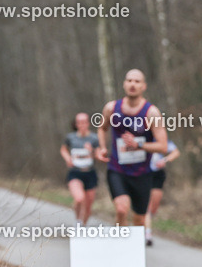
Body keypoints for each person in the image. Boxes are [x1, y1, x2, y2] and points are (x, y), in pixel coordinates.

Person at [94, 69, 169, 229]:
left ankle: (134, 249)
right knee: (122, 208)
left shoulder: (151, 112)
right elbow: (102, 128)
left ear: (144, 86)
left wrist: (138, 145)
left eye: (137, 81)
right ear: (124, 84)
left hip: (142, 173)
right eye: (129, 81)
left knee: (139, 220)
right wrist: (102, 148)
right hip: (117, 169)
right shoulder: (112, 108)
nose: (132, 84)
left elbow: (163, 146)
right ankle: (121, 247)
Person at [61, 112, 100, 226]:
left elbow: (98, 155)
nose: (82, 125)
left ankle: (83, 226)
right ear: (76, 124)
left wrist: (91, 151)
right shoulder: (70, 137)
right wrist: (68, 158)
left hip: (90, 173)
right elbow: (63, 150)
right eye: (79, 122)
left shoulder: (94, 138)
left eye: (84, 122)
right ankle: (78, 221)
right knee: (79, 199)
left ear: (88, 123)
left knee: (88, 205)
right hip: (75, 172)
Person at [145, 139, 180, 246]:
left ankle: (146, 223)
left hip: (157, 174)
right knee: (147, 207)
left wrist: (165, 160)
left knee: (154, 206)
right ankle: (148, 234)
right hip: (143, 174)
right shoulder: (142, 138)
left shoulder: (161, 140)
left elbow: (176, 152)